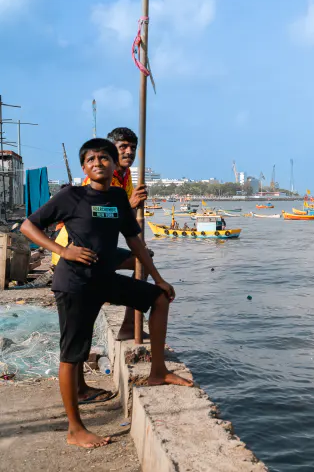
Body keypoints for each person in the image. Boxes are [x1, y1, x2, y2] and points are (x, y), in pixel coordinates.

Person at [20, 138, 192, 449]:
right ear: (84, 167)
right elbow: (28, 226)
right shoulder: (70, 196)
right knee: (72, 355)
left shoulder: (116, 197)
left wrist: (158, 278)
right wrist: (63, 251)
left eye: (104, 158)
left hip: (104, 279)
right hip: (75, 283)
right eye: (91, 159)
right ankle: (75, 429)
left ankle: (158, 371)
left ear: (114, 166)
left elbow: (135, 241)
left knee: (158, 298)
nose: (98, 163)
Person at [54, 128, 149, 342]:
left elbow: (125, 222)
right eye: (122, 147)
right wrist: (130, 204)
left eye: (132, 148)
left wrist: (130, 206)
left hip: (100, 247)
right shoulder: (101, 177)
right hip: (77, 249)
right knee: (77, 337)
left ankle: (129, 325)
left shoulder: (125, 177)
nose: (129, 152)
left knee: (143, 260)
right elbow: (102, 218)